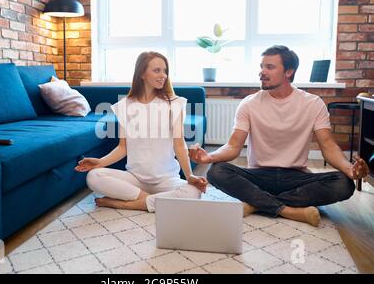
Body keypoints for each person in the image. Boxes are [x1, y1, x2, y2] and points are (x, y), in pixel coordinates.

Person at [189, 45, 369, 227]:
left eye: (269, 67)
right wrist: (209, 156)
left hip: (295, 177)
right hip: (259, 175)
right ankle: (289, 210)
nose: (262, 72)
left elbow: (328, 146)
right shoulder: (249, 104)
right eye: (261, 66)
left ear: (289, 72)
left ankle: (257, 203)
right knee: (216, 171)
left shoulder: (313, 104)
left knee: (343, 184)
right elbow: (233, 146)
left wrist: (349, 169)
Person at [75, 51, 207, 212]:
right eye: (157, 70)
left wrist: (189, 176)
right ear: (142, 74)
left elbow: (179, 145)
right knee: (93, 176)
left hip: (166, 180)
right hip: (134, 178)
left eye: (165, 71)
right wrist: (100, 162)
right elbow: (122, 147)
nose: (163, 75)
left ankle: (126, 203)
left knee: (193, 192)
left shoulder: (175, 103)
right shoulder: (125, 105)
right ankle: (153, 200)